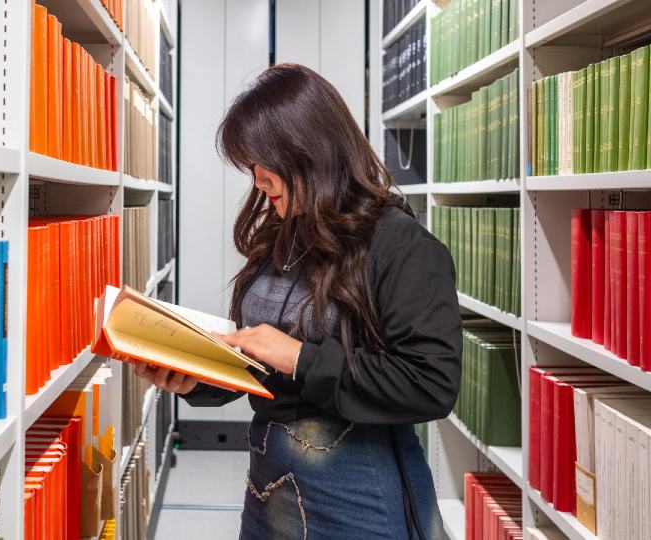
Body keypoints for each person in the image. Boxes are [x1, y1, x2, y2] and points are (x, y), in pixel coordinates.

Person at [133, 64, 461, 540]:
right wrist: (193, 377)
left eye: (264, 165)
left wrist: (303, 359)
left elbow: (432, 384)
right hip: (271, 496)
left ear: (309, 151)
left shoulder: (402, 245)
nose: (259, 182)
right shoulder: (283, 236)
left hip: (361, 505)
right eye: (251, 167)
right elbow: (262, 364)